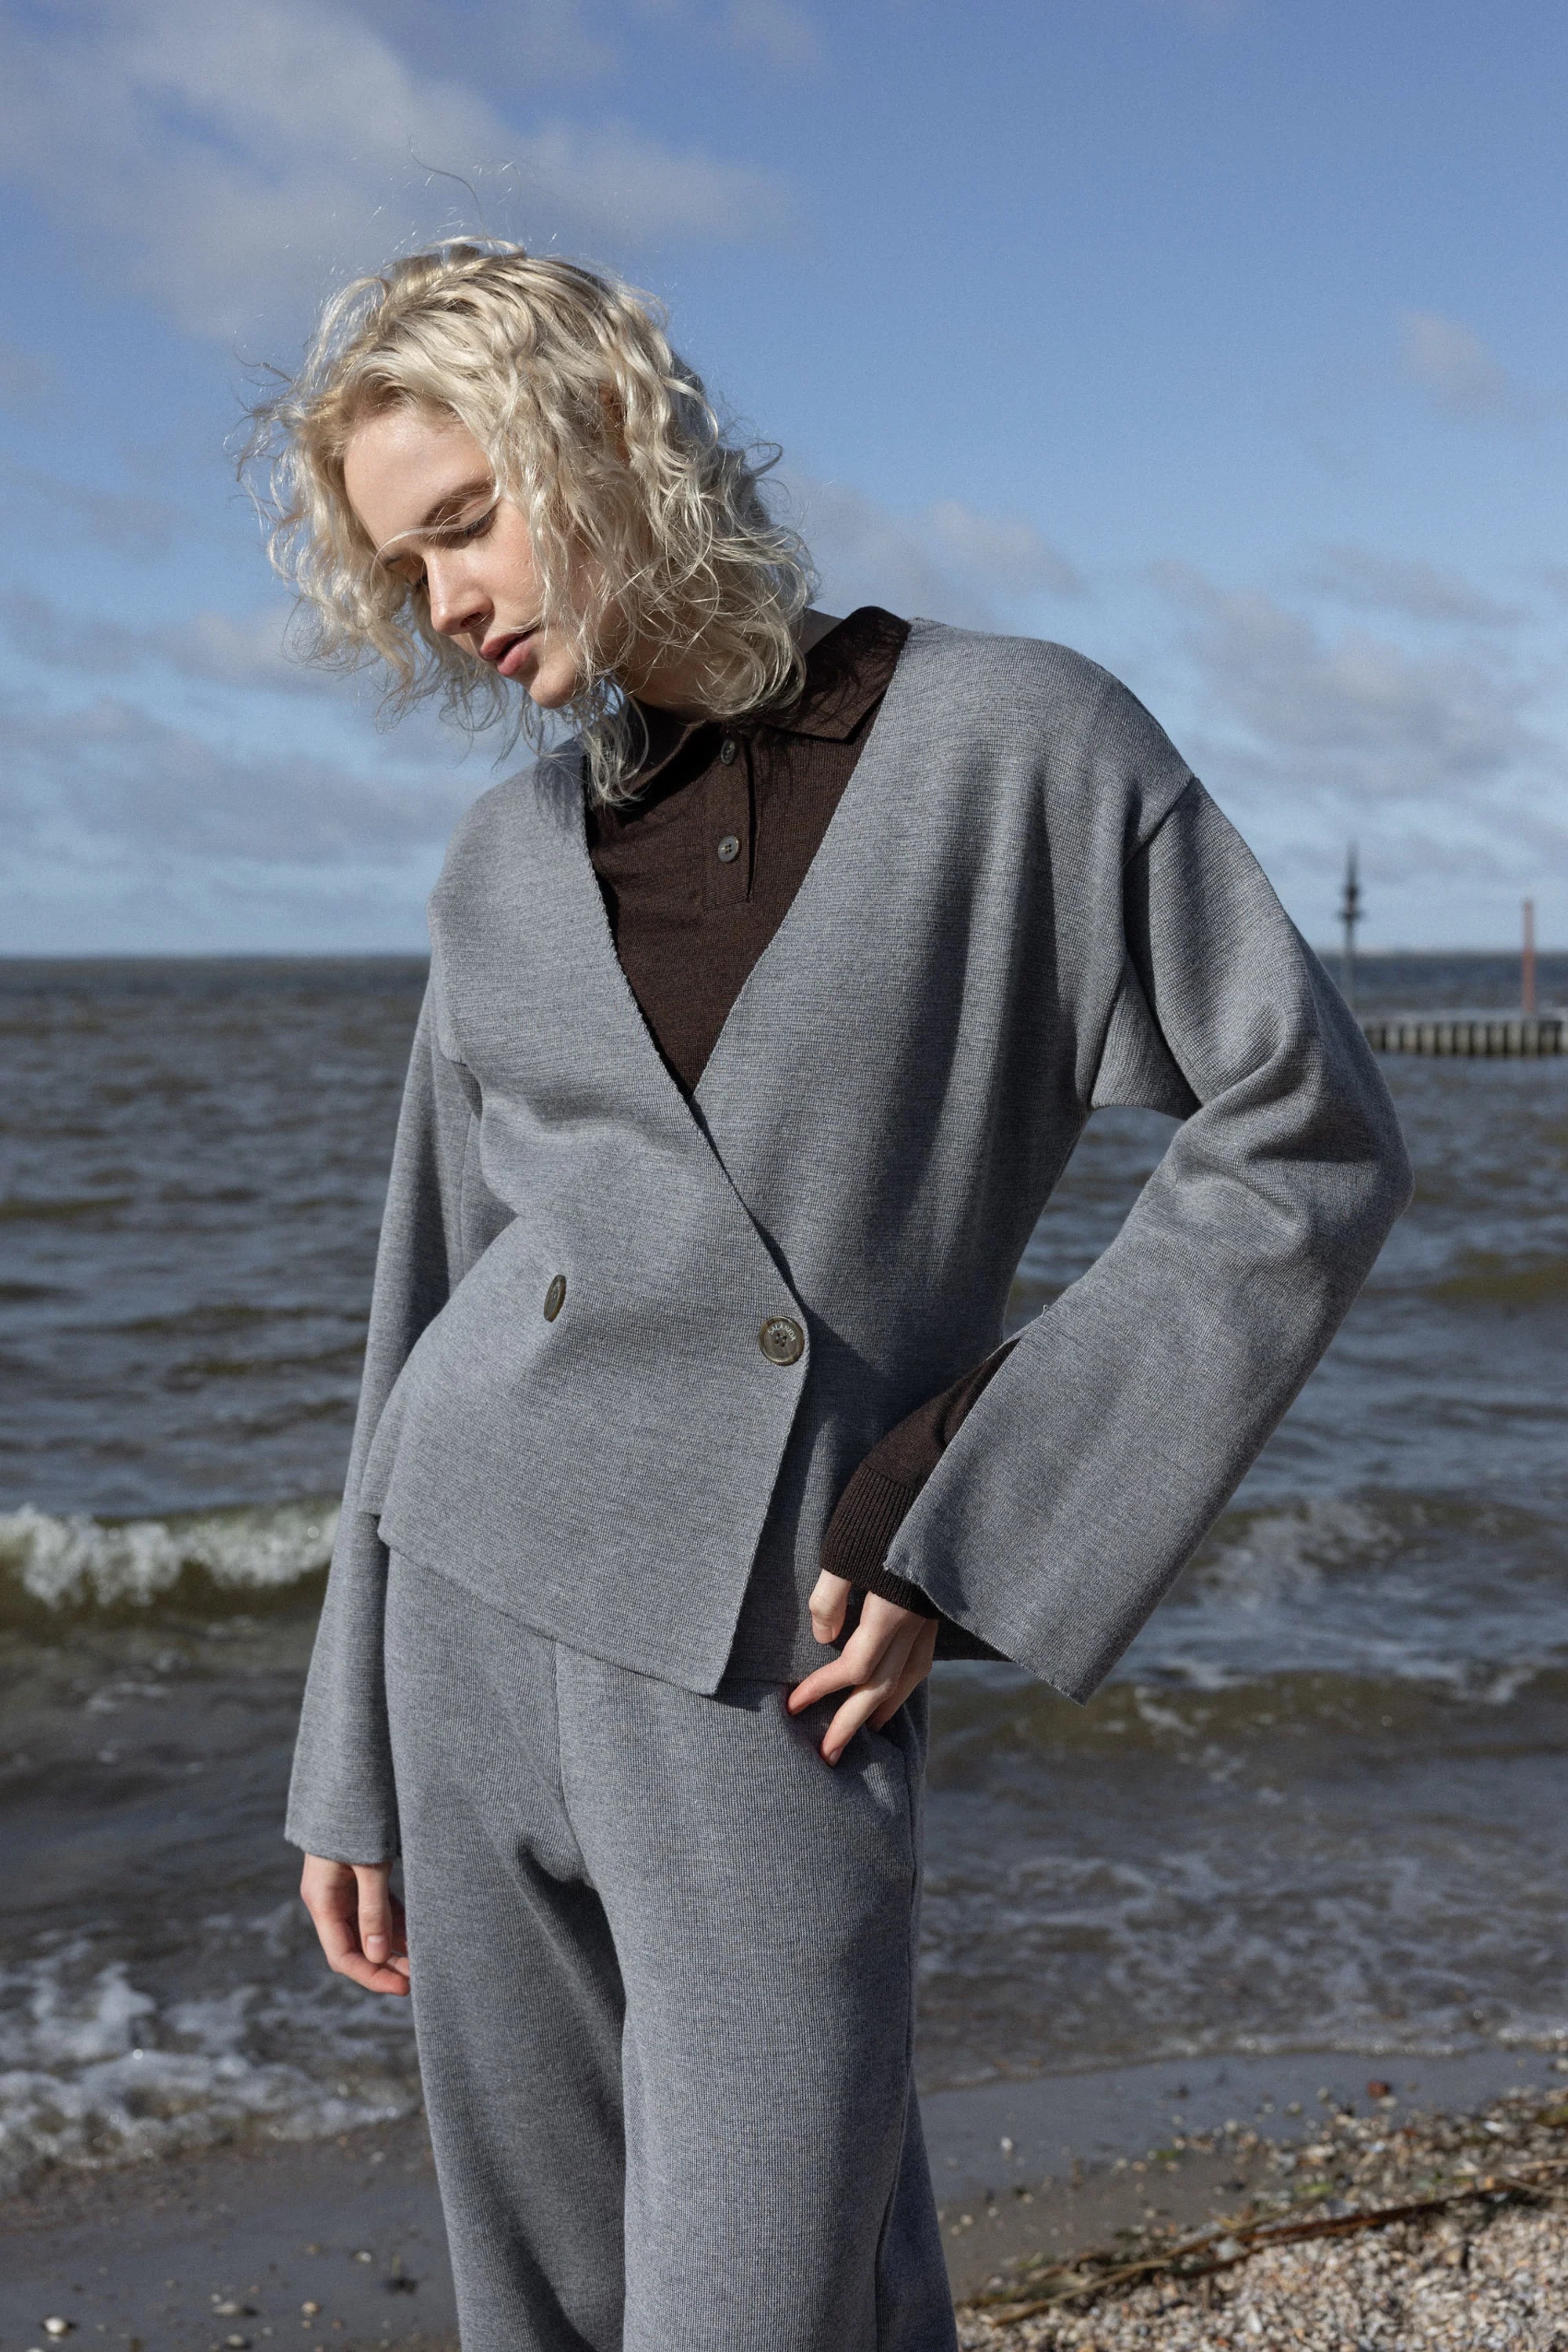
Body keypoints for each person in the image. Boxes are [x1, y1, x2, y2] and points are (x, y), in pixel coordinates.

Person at [250, 241, 1411, 2352]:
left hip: (768, 1678)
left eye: (467, 522)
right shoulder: (503, 867)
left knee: (774, 2300)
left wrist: (964, 1501)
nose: (446, 601)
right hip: (465, 1630)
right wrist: (347, 1756)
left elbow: (1306, 1133)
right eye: (403, 567)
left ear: (604, 436)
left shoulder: (1016, 744)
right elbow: (426, 1290)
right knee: (551, 2316)